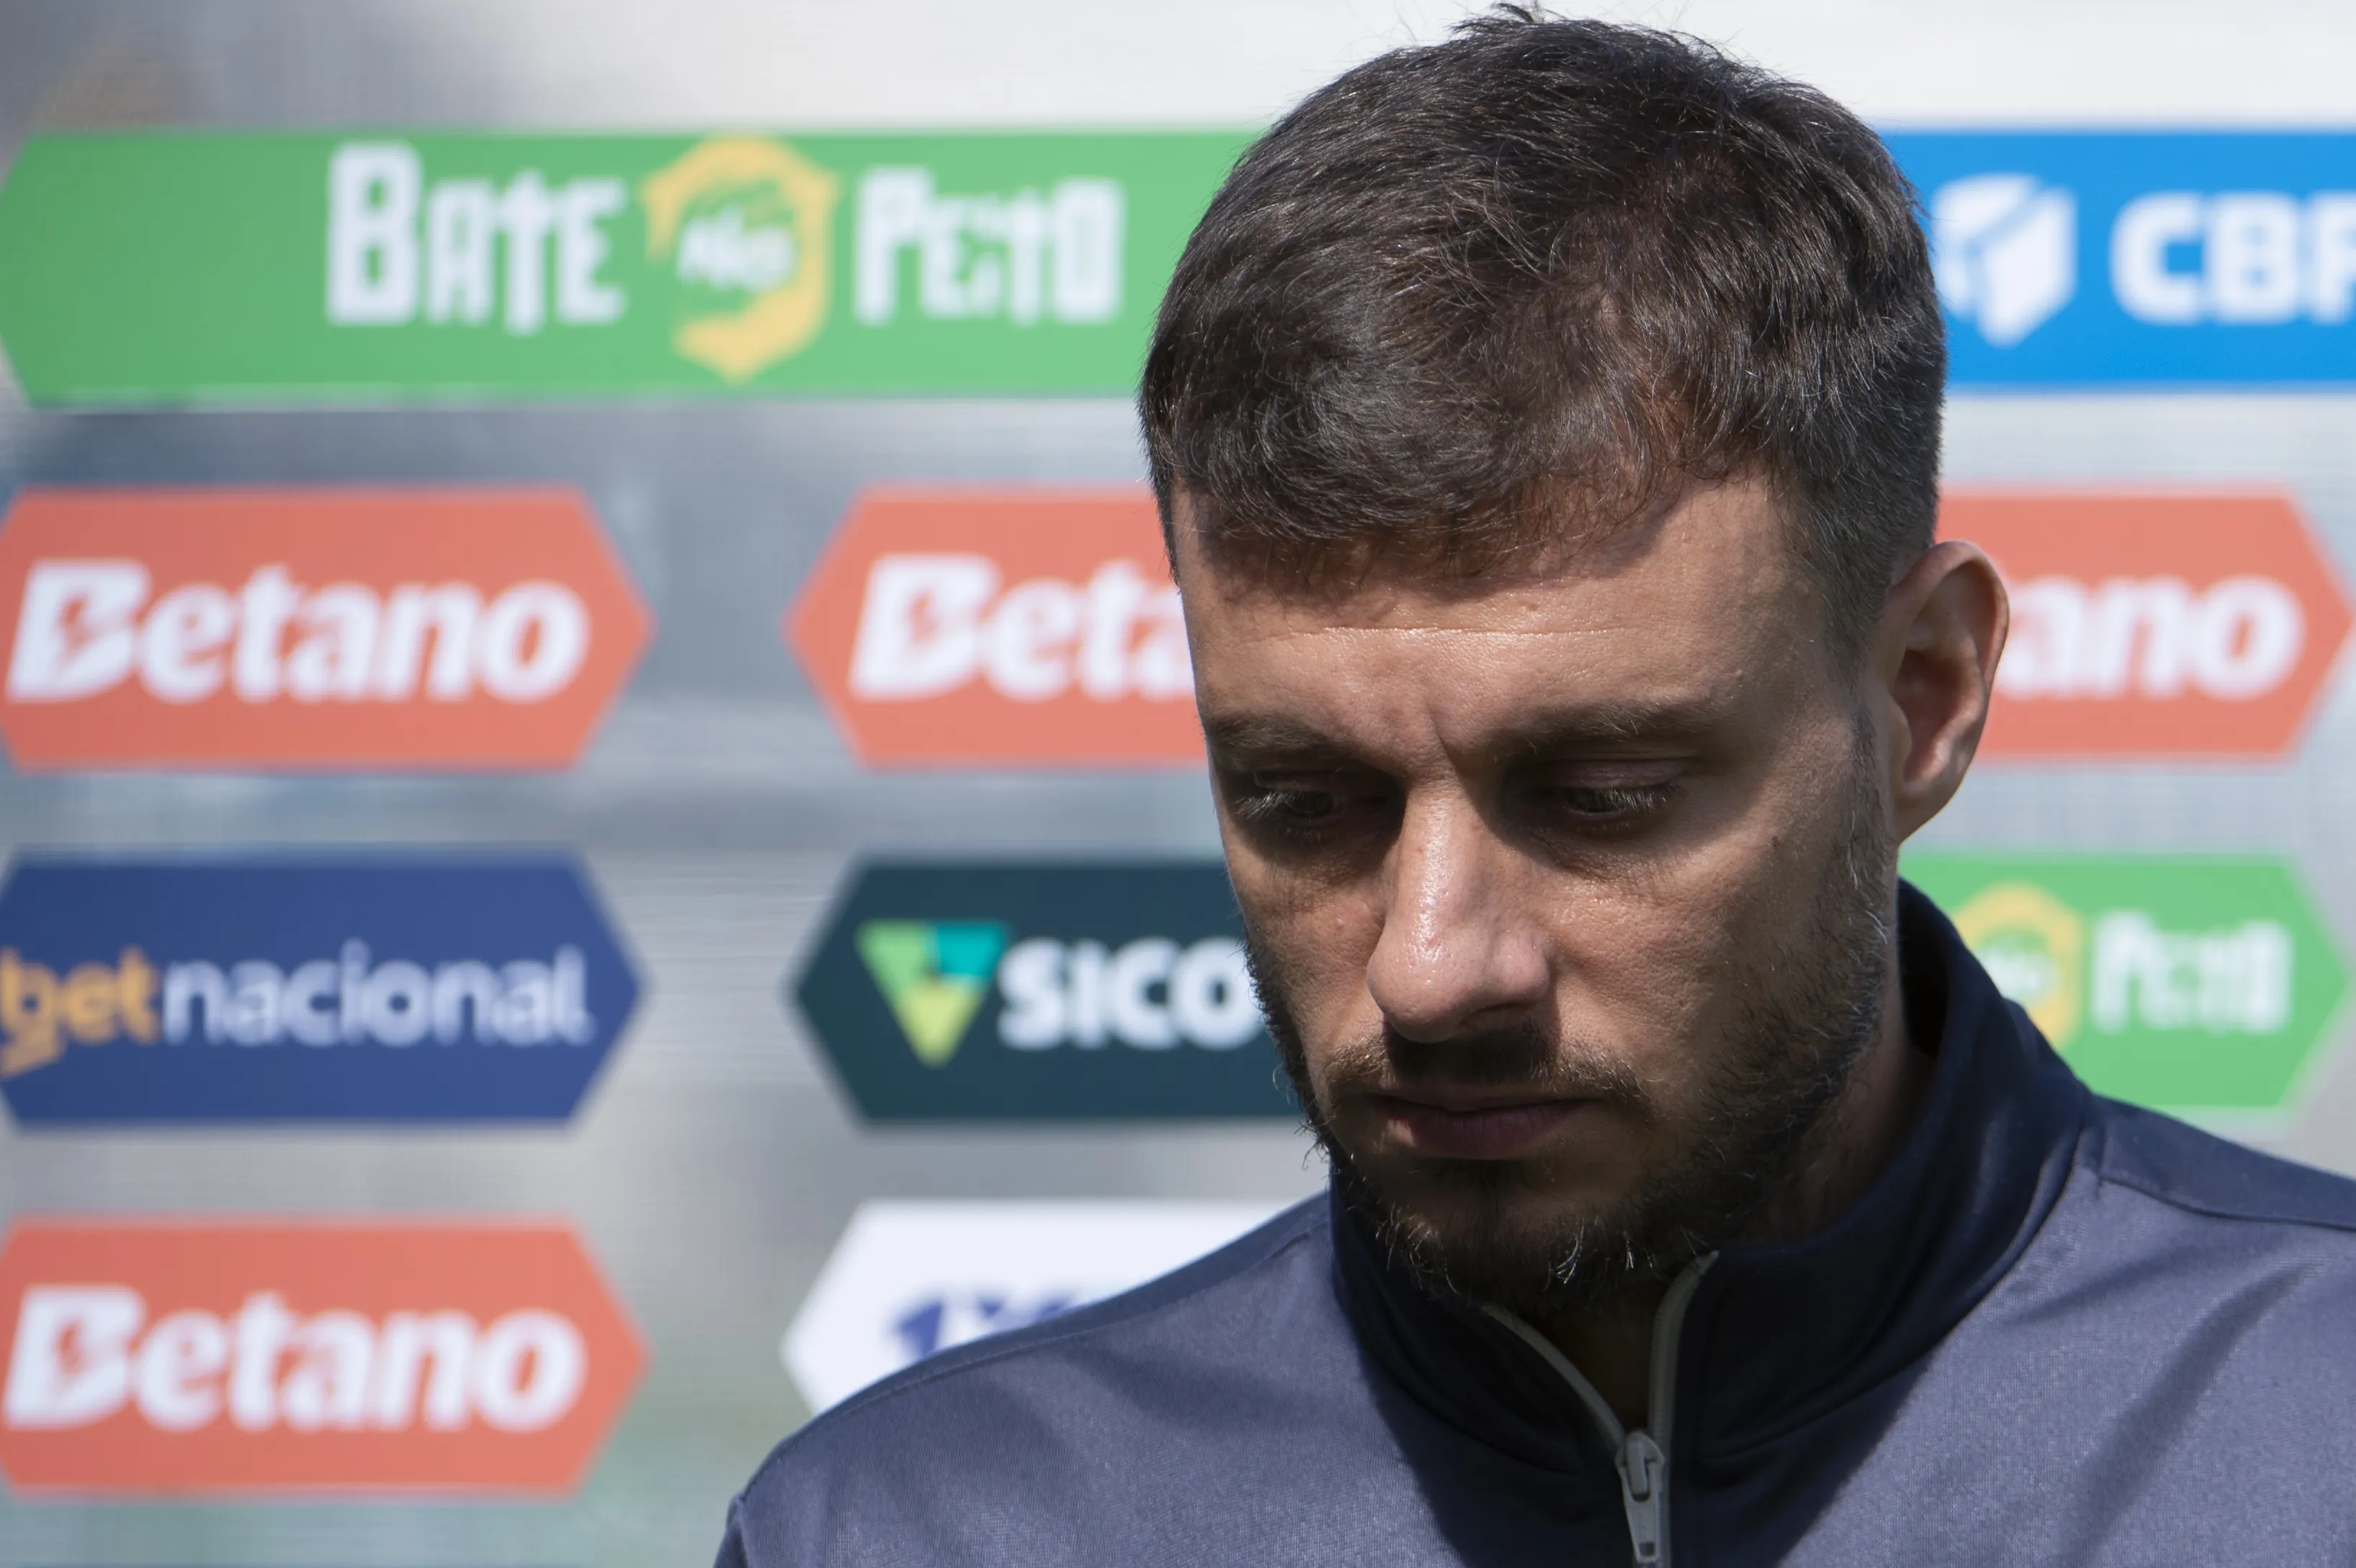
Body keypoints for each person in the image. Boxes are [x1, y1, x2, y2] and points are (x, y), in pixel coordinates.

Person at [718, 13, 2356, 1564]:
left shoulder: (2314, 1422)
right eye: (1306, 796)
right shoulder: (921, 1527)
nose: (1430, 969)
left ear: (1924, 698)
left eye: (1604, 790)